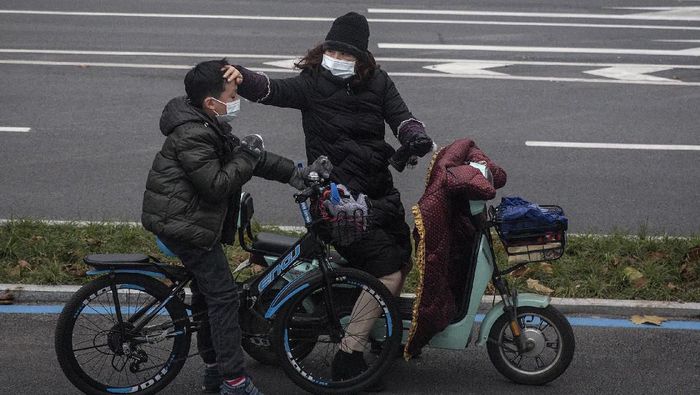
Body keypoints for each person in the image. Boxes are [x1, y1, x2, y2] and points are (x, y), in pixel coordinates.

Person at [222, 11, 434, 388]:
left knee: (402, 255)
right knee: (388, 269)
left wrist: (415, 139)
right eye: (332, 50)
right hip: (338, 203)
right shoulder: (312, 84)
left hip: (380, 194)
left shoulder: (380, 83)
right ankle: (349, 356)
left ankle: (375, 332)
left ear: (362, 59)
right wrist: (240, 73)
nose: (338, 57)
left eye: (347, 53)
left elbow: (403, 119)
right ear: (323, 51)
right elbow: (271, 89)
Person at [141, 58, 327, 395]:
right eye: (231, 94)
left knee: (207, 295)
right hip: (184, 227)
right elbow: (217, 183)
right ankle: (234, 382)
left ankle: (214, 372)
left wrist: (297, 174)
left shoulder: (204, 121)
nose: (235, 101)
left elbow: (247, 156)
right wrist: (249, 155)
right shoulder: (193, 134)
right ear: (212, 102)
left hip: (188, 220)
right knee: (224, 299)